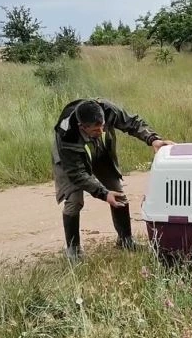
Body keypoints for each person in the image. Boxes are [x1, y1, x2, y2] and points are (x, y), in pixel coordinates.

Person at [52, 98, 175, 261]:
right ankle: (73, 250)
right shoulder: (66, 133)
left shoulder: (107, 109)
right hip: (72, 159)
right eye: (97, 129)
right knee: (74, 201)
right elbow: (77, 174)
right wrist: (103, 194)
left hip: (99, 150)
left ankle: (125, 240)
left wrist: (153, 139)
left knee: (118, 193)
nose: (102, 131)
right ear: (83, 127)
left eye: (102, 126)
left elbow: (132, 123)